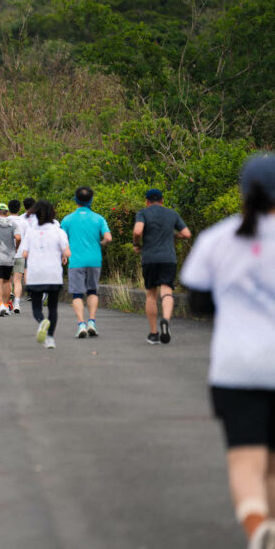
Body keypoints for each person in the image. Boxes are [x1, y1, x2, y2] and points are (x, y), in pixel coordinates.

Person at [180, 153, 275, 548]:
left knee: (246, 460)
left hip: (236, 368)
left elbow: (198, 302)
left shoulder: (218, 238)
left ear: (243, 191)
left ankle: (258, 527)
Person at [133, 188, 192, 344]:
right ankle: (166, 319)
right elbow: (187, 234)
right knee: (167, 291)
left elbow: (137, 231)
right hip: (168, 258)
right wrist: (174, 235)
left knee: (151, 294)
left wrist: (136, 244)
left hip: (150, 258)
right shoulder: (172, 214)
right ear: (162, 200)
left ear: (147, 201)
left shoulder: (143, 213)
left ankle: (153, 334)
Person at [61, 186, 112, 338]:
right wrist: (100, 243)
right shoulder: (99, 218)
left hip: (76, 260)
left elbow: (62, 241)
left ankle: (81, 324)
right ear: (91, 200)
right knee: (92, 291)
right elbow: (108, 237)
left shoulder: (67, 219)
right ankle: (92, 322)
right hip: (94, 259)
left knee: (77, 294)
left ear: (76, 200)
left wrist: (64, 254)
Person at [20, 200, 71, 350]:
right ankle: (50, 339)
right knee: (53, 308)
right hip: (53, 274)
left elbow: (24, 253)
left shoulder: (30, 231)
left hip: (35, 275)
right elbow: (67, 252)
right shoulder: (58, 231)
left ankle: (42, 321)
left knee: (37, 308)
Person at [0, 203, 20, 317]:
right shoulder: (13, 224)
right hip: (9, 257)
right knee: (7, 281)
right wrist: (16, 248)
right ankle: (7, 306)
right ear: (7, 213)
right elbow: (18, 237)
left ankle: (1, 305)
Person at [8, 199, 26, 313]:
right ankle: (17, 304)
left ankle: (9, 298)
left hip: (7, 254)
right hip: (20, 254)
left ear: (8, 209)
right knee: (18, 281)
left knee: (7, 280)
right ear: (19, 209)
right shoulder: (24, 222)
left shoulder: (5, 221)